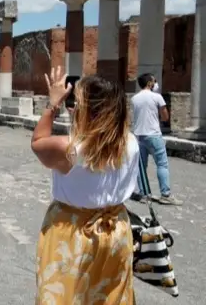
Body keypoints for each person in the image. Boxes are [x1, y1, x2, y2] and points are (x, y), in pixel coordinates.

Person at [31, 68, 139, 304]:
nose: (74, 107)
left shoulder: (70, 150)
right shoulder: (131, 143)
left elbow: (38, 142)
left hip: (74, 232)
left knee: (67, 296)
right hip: (116, 230)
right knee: (110, 297)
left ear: (90, 109)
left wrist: (52, 104)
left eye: (78, 103)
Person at [130, 73, 182, 205]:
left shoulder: (134, 98)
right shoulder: (157, 97)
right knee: (162, 164)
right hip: (154, 135)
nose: (155, 83)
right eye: (154, 81)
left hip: (139, 136)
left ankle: (144, 194)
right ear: (149, 83)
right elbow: (165, 117)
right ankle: (165, 194)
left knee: (141, 166)